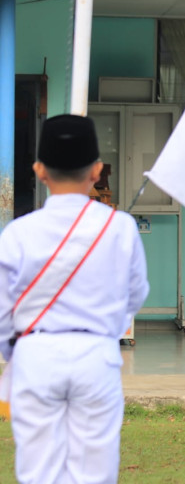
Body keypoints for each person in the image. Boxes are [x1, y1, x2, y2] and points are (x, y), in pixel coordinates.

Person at [0, 114, 150, 484]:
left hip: (35, 355)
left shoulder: (17, 233)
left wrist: (16, 351)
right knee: (95, 474)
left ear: (39, 171)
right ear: (97, 171)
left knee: (38, 473)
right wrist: (104, 331)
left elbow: (2, 311)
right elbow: (136, 294)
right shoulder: (120, 228)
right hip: (96, 355)